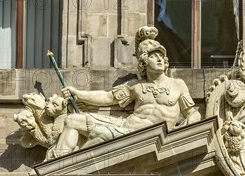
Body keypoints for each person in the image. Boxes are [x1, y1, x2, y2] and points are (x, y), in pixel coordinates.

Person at [53, 26, 201, 157]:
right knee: (71, 120)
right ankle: (55, 165)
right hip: (127, 129)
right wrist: (78, 94)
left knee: (99, 134)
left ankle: (75, 164)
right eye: (154, 56)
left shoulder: (177, 85)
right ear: (143, 61)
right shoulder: (135, 86)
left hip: (151, 138)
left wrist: (184, 129)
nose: (160, 59)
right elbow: (107, 97)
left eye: (161, 56)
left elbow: (193, 113)